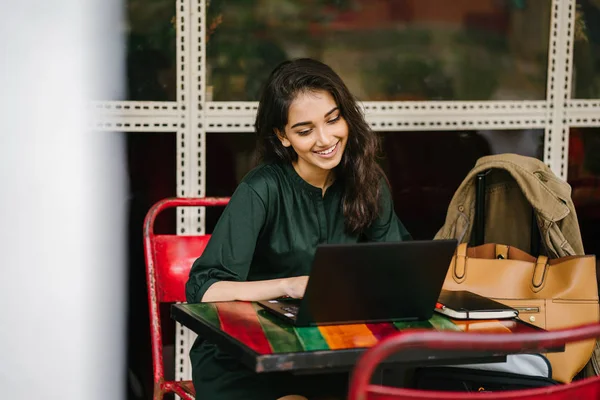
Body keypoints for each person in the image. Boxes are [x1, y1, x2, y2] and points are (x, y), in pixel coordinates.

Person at [185, 58, 412, 400]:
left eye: (333, 120)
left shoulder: (368, 181)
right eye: (305, 130)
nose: (325, 139)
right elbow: (203, 289)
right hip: (248, 360)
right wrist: (289, 286)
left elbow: (398, 264)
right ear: (283, 136)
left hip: (333, 353)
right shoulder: (261, 189)